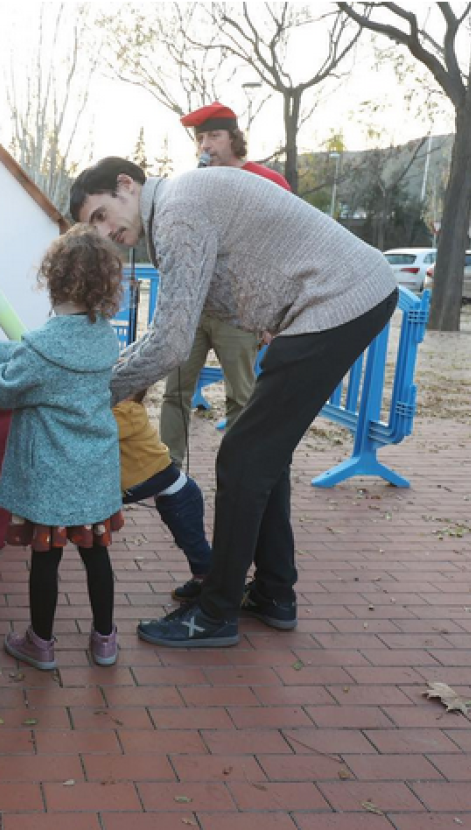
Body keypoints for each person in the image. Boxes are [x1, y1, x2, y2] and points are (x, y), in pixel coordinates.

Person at [70, 157, 398, 648]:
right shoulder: (180, 207)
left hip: (339, 299)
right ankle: (273, 594)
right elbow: (166, 334)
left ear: (126, 186)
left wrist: (96, 392)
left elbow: (171, 344)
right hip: (340, 298)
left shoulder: (178, 212)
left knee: (242, 457)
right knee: (261, 455)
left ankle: (215, 613)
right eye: (90, 227)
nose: (102, 233)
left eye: (100, 215)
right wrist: (107, 378)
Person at [0, 224, 125, 670]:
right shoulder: (104, 336)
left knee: (46, 561)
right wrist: (4, 347)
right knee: (96, 555)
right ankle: (105, 639)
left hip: (50, 472)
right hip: (93, 470)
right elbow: (42, 358)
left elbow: (0, 388)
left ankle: (41, 644)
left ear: (52, 279)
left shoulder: (44, 346)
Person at [160, 102, 291, 468]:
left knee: (242, 397)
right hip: (194, 308)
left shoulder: (268, 181)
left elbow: (285, 251)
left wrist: (274, 317)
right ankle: (168, 469)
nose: (206, 145)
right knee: (176, 391)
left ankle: (238, 469)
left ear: (234, 138)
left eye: (214, 136)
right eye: (200, 138)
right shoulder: (193, 184)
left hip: (241, 312)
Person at [115, 389, 211, 601]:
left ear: (130, 394)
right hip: (171, 496)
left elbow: (94, 429)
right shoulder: (124, 408)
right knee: (188, 541)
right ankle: (201, 579)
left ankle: (213, 586)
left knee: (193, 543)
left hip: (181, 496)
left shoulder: (126, 412)